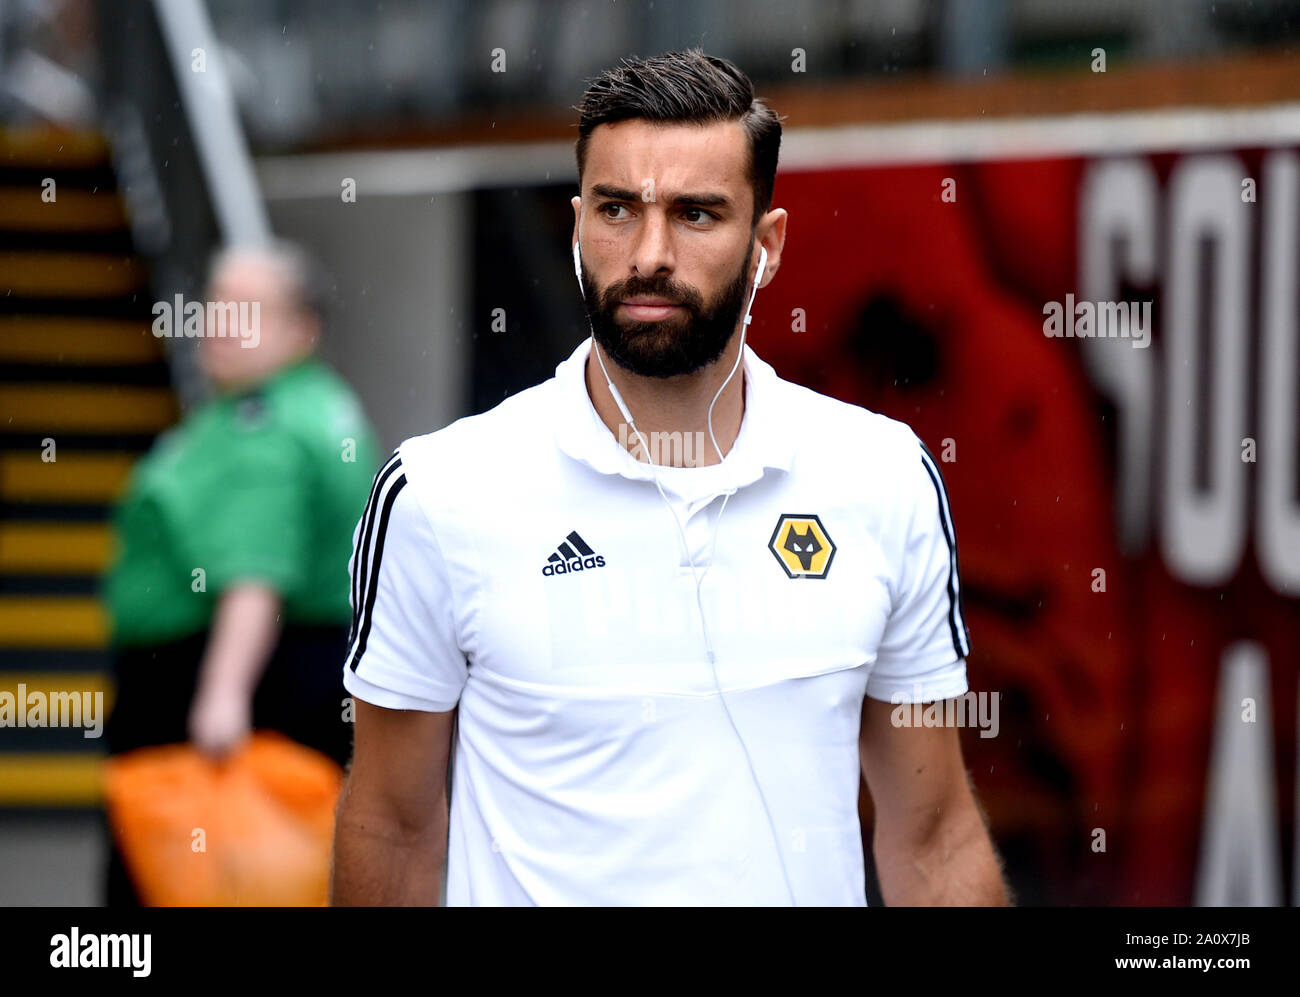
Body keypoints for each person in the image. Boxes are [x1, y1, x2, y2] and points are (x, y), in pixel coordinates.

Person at [332, 49, 1009, 906]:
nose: (649, 254)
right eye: (617, 209)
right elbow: (393, 827)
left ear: (766, 246)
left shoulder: (880, 477)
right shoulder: (440, 492)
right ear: (579, 225)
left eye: (696, 214)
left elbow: (935, 836)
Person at [101, 240, 381, 904]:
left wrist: (221, 695)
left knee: (175, 876)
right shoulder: (321, 404)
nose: (221, 322)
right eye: (216, 303)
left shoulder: (265, 426)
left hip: (219, 685)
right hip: (299, 676)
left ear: (301, 329)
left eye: (249, 309)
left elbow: (255, 575)